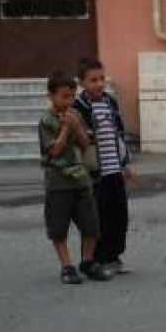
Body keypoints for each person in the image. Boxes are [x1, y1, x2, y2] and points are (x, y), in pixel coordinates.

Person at [38, 71, 113, 284]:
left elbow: (84, 144)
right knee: (59, 228)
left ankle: (88, 262)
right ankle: (67, 267)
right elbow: (53, 151)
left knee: (91, 225)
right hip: (58, 182)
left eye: (71, 96)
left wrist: (76, 126)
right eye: (63, 96)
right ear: (51, 96)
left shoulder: (75, 115)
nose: (68, 101)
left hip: (80, 179)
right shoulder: (46, 120)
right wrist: (64, 129)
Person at [73, 57, 134, 274]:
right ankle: (94, 260)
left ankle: (113, 257)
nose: (99, 84)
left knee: (119, 215)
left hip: (114, 170)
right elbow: (78, 142)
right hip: (95, 174)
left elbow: (119, 135)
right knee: (97, 218)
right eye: (93, 80)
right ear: (81, 83)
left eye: (101, 79)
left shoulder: (110, 102)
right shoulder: (77, 107)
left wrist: (125, 164)